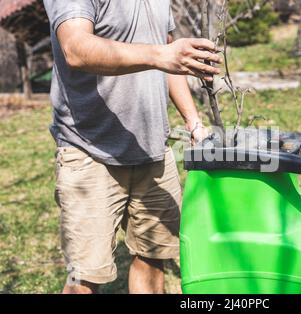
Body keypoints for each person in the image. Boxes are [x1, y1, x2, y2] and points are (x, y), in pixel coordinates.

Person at [43, 0, 221, 294]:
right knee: (85, 276)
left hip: (152, 148)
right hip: (89, 151)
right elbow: (75, 48)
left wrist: (193, 122)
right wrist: (161, 54)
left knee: (153, 256)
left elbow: (169, 58)